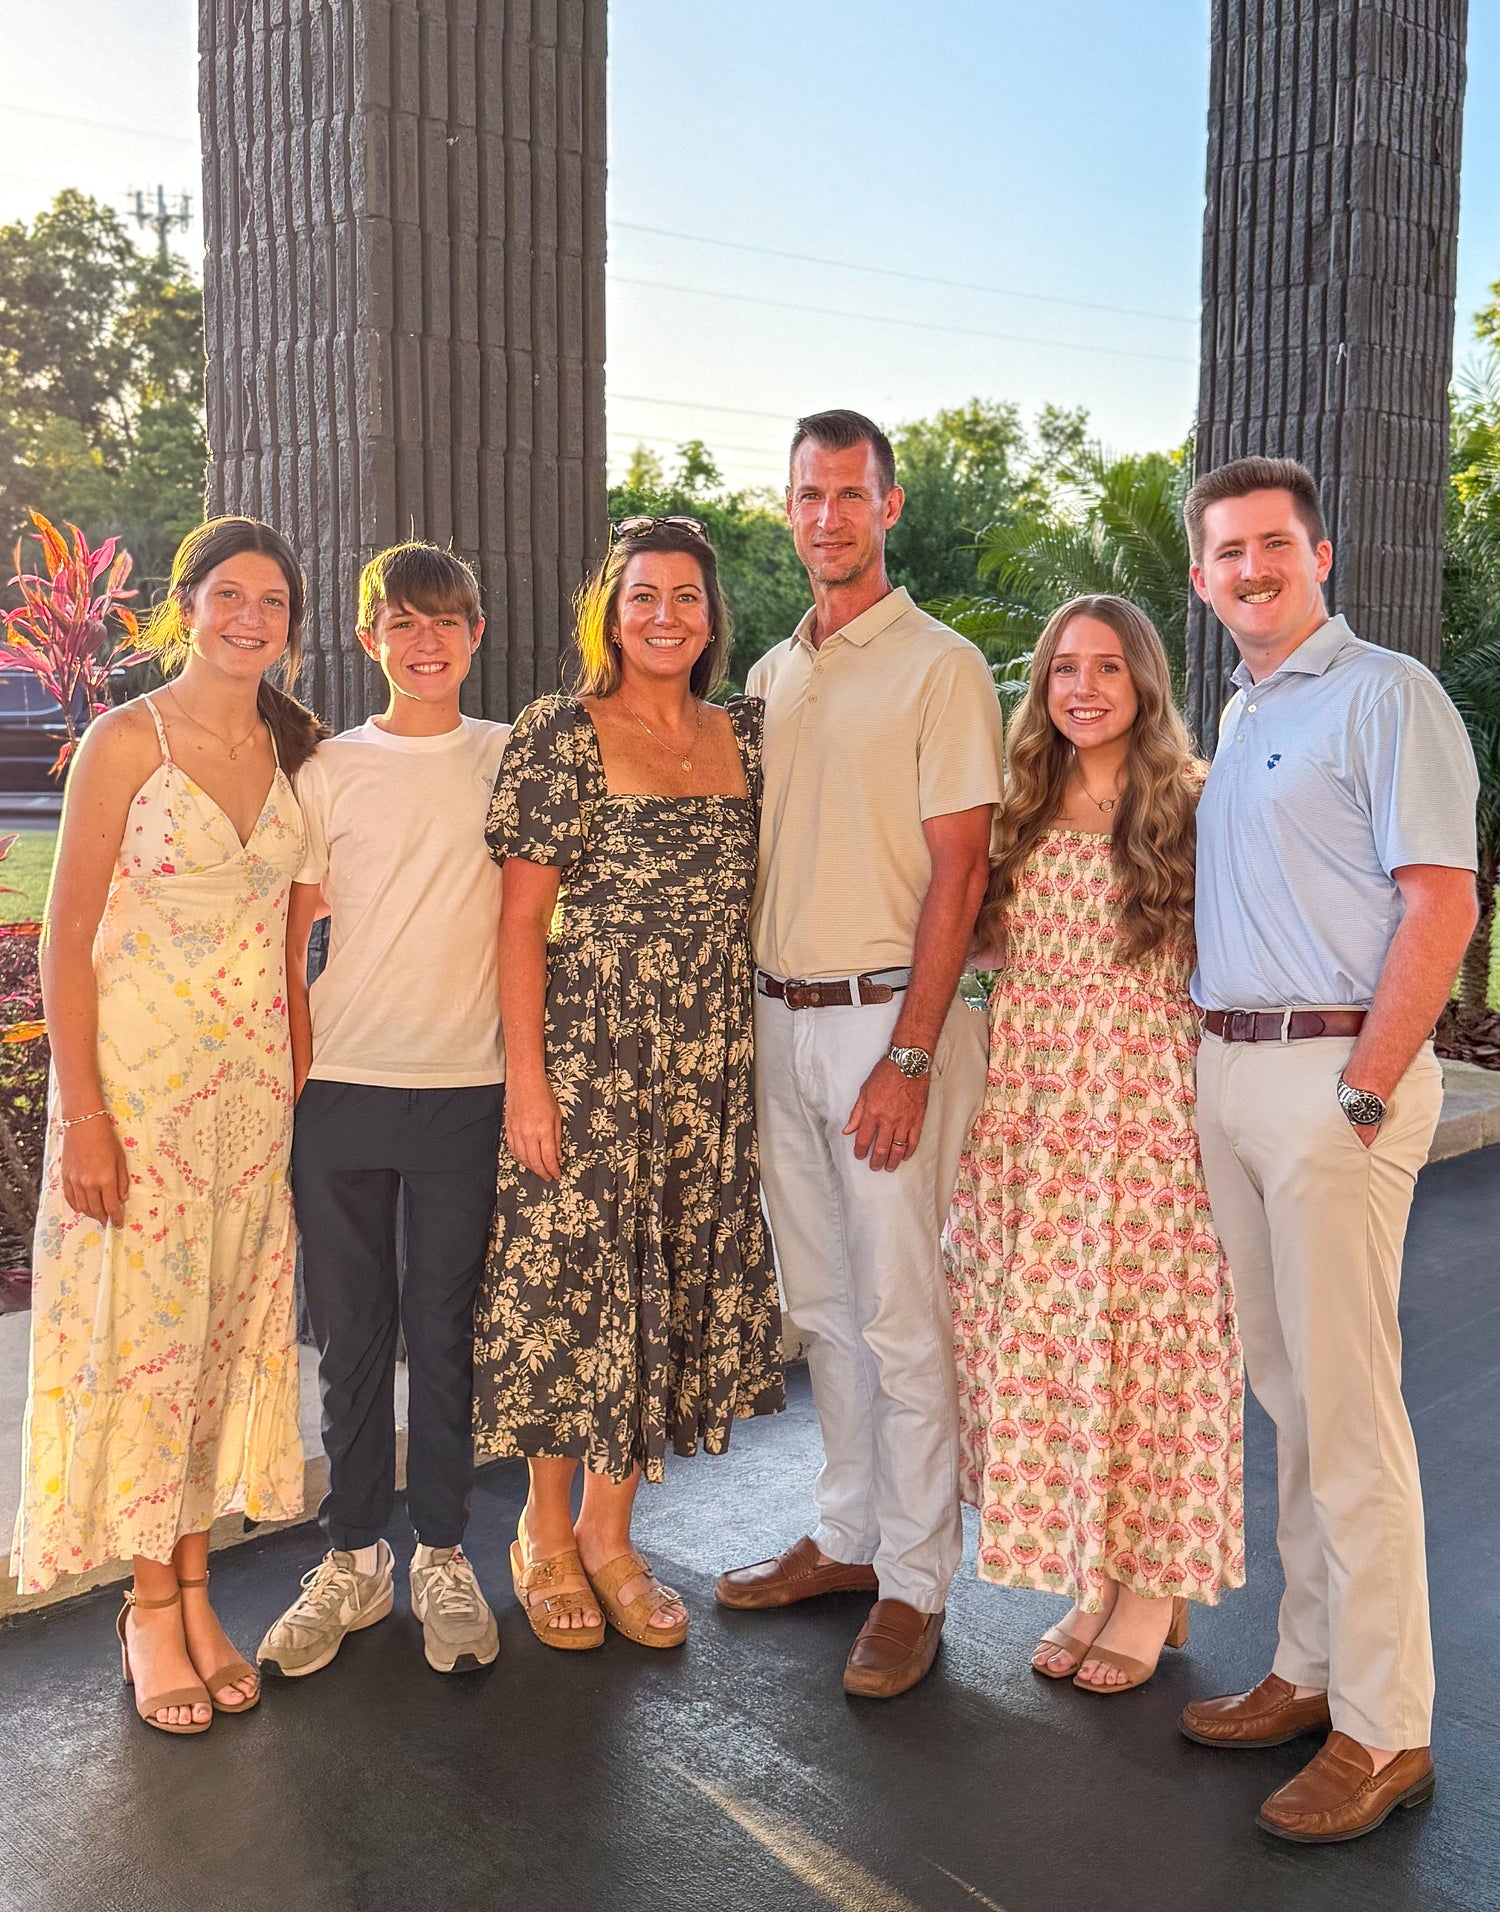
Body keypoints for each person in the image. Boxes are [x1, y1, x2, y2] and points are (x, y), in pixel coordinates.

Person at [1179, 456, 1479, 1842]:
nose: (1253, 569)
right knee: (1290, 1395)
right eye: (1228, 552)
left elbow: (1441, 902)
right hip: (1235, 1069)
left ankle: (1385, 1725)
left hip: (1331, 1076)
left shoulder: (1385, 694)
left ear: (1322, 556)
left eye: (1274, 545)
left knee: (1349, 1412)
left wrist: (1365, 1085)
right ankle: (1308, 1668)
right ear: (1202, 578)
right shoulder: (1244, 712)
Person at [11, 517, 322, 1734]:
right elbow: (63, 935)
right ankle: (147, 1608)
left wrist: (297, 1074)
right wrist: (84, 1115)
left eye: (273, 601)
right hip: (137, 1101)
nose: (251, 617)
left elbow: (289, 942)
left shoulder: (293, 745)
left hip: (250, 1107)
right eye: (229, 594)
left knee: (218, 1345)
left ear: (291, 625)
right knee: (146, 1348)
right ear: (185, 606)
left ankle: (195, 1586)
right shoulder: (124, 739)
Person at [715, 410, 1004, 1699]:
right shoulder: (772, 673)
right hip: (778, 1020)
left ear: (888, 506)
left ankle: (917, 1578)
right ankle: (846, 1534)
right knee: (822, 1300)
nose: (826, 516)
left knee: (900, 1308)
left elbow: (962, 869)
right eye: (807, 495)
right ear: (788, 509)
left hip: (887, 1022)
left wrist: (912, 1052)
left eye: (848, 493)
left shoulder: (943, 665)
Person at [473, 516, 783, 1652]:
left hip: (706, 1057)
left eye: (686, 597)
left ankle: (612, 1536)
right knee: (578, 1291)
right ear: (609, 612)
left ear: (711, 617)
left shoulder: (746, 734)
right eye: (642, 595)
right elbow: (520, 922)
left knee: (666, 1284)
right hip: (591, 1053)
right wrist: (529, 1084)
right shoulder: (560, 732)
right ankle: (545, 1532)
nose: (664, 615)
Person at [944, 595, 1244, 1695]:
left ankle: (1152, 1589)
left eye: (1108, 667)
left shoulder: (1194, 801)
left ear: (1144, 681)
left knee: (1151, 1353)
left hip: (1146, 1116)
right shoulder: (1017, 802)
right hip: (1029, 1120)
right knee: (1059, 1353)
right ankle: (1098, 1571)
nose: (1084, 687)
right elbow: (976, 939)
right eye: (1065, 667)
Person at [256, 543, 508, 1680]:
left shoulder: (508, 758)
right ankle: (353, 1557)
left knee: (444, 1334)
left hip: (467, 1091)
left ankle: (444, 1555)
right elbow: (289, 936)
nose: (426, 641)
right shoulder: (330, 770)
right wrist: (299, 1085)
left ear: (476, 634)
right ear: (370, 640)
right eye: (403, 622)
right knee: (352, 1339)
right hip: (344, 1092)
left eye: (445, 620)